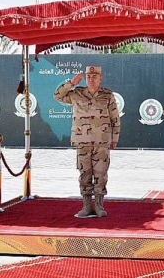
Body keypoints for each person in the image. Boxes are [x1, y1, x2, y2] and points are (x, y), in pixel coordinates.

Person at [54, 66, 120, 218]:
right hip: (82, 141)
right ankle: (86, 205)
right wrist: (71, 83)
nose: (91, 79)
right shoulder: (76, 93)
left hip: (101, 142)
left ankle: (99, 205)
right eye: (88, 76)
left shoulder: (107, 95)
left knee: (101, 174)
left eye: (94, 76)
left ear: (100, 78)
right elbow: (57, 96)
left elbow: (115, 118)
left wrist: (114, 138)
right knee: (84, 173)